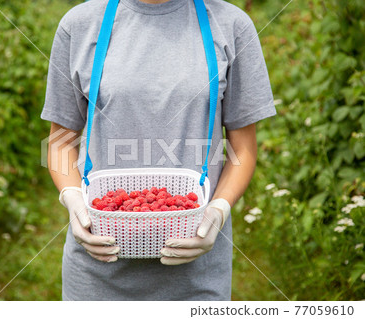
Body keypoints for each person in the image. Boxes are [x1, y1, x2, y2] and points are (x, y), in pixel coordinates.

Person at [41, 0, 276, 300]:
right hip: (96, 272)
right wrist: (73, 199)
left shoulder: (232, 26)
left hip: (196, 276)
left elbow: (243, 148)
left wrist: (217, 211)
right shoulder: (80, 24)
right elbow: (60, 142)